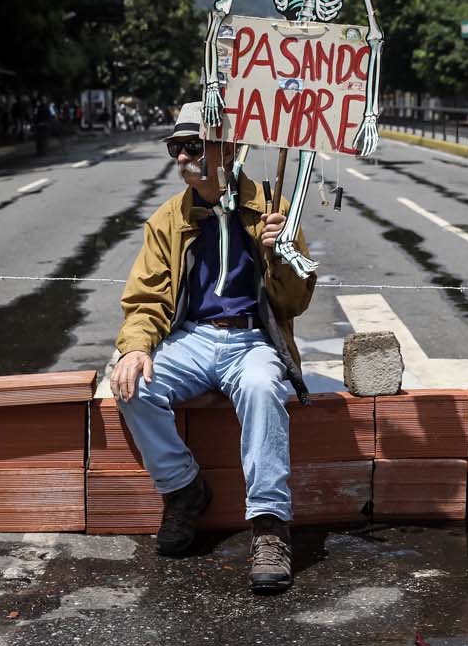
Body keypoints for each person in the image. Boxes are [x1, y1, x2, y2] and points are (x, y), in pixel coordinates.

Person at [111, 101, 317, 594]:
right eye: (175, 148)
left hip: (252, 338)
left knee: (265, 388)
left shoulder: (271, 208)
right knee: (132, 383)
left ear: (229, 148)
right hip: (194, 339)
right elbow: (146, 299)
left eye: (193, 147)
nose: (182, 158)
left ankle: (269, 526)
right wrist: (137, 348)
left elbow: (297, 298)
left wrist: (279, 252)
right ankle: (184, 490)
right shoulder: (167, 220)